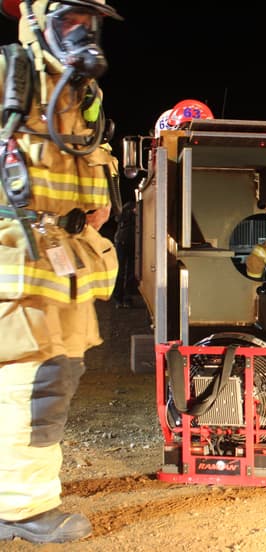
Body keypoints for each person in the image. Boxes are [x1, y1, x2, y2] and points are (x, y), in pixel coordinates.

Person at [0, 0, 122, 544]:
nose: (81, 32)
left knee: (53, 380)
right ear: (36, 22)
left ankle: (22, 500)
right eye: (69, 19)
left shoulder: (82, 99)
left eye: (88, 23)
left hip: (65, 265)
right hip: (18, 264)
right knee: (30, 385)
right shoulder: (9, 77)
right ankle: (20, 510)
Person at [113, 200, 136, 308]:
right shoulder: (127, 208)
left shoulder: (142, 209)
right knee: (120, 271)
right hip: (122, 242)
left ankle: (127, 298)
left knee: (130, 272)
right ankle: (118, 298)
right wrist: (130, 212)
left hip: (133, 243)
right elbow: (118, 218)